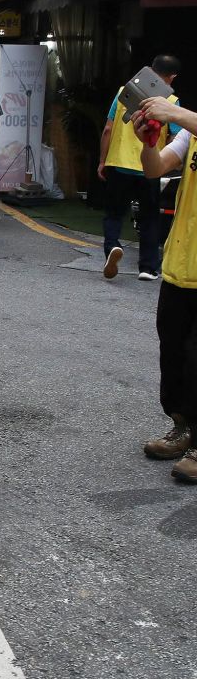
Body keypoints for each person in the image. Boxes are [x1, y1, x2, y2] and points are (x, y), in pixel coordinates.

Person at [135, 98, 197, 480]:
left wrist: (174, 114)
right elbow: (156, 168)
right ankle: (183, 427)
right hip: (182, 263)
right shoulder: (191, 135)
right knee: (172, 352)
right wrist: (148, 142)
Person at [98, 54, 181, 281]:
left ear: (150, 69)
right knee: (149, 218)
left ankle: (112, 247)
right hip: (151, 167)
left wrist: (103, 160)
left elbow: (108, 129)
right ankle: (147, 267)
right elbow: (176, 137)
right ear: (172, 77)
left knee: (114, 214)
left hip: (119, 164)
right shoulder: (171, 102)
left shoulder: (124, 92)